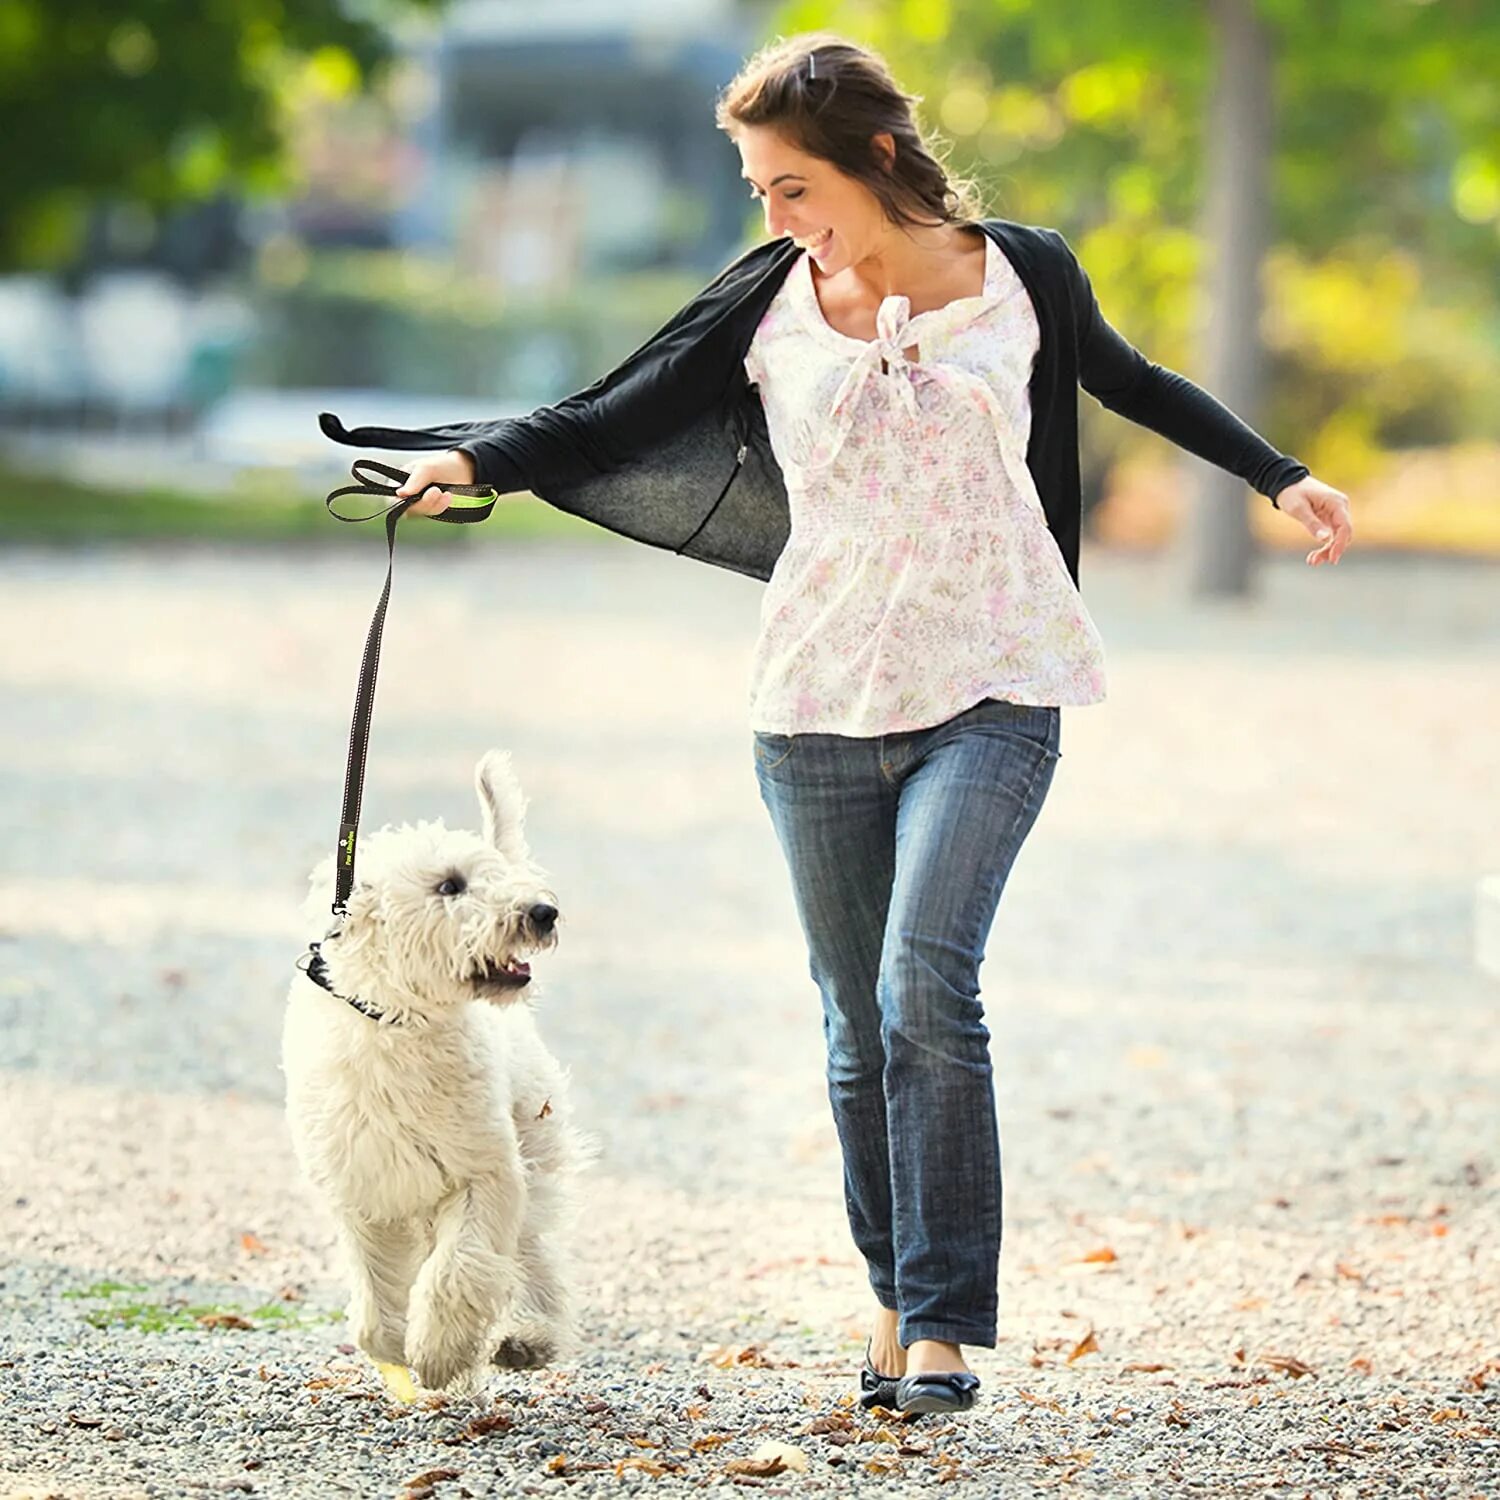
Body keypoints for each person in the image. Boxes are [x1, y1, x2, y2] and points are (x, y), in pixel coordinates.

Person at [350, 32, 1353, 1415]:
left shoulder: (1026, 273)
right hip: (817, 701)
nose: (775, 216)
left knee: (923, 984)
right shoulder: (771, 300)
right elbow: (608, 416)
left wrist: (1281, 476)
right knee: (854, 1023)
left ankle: (940, 1330)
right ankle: (891, 1297)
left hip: (995, 683)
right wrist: (473, 460)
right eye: (759, 190)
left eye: (793, 187)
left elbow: (1136, 383)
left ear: (876, 158)